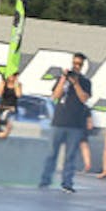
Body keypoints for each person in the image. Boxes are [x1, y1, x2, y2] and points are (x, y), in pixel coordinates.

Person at [39, 52, 93, 192]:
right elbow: (55, 96)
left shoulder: (86, 82)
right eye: (74, 63)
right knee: (51, 153)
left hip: (75, 124)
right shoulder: (62, 79)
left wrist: (75, 83)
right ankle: (45, 180)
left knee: (70, 156)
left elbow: (84, 98)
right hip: (59, 121)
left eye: (79, 64)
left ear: (82, 66)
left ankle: (67, 183)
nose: (76, 66)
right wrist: (64, 79)